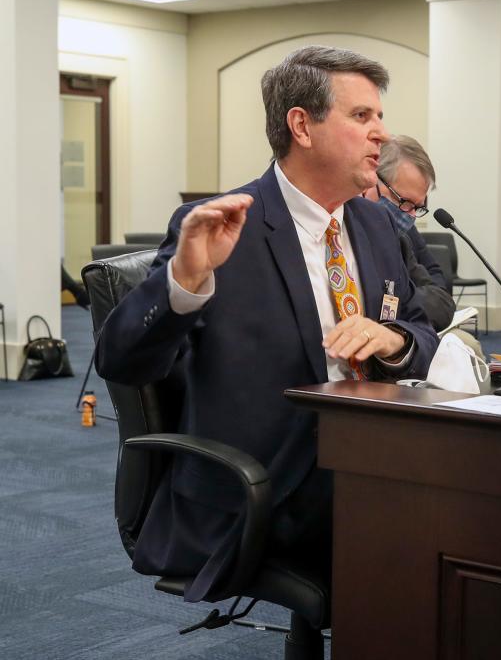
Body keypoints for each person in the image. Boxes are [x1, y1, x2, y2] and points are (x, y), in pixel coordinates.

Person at [94, 46, 439, 606]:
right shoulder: (223, 226)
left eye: (379, 116)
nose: (381, 133)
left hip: (366, 459)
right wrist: (183, 283)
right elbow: (122, 362)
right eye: (361, 117)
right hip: (266, 488)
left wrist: (393, 340)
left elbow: (422, 332)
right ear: (301, 125)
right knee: (432, 541)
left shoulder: (377, 224)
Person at [362, 135, 455, 331]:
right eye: (404, 202)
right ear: (371, 180)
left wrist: (396, 301)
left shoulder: (398, 241)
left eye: (417, 207)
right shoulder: (338, 233)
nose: (410, 215)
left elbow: (442, 304)